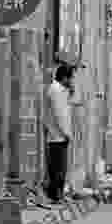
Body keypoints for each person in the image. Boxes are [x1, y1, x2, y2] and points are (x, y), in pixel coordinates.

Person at [43, 64, 74, 204]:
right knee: (58, 168)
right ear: (64, 77)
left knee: (57, 167)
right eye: (70, 77)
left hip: (57, 134)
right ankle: (56, 195)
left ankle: (56, 194)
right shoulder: (57, 90)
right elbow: (59, 113)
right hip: (58, 135)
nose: (72, 81)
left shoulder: (60, 89)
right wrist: (66, 132)